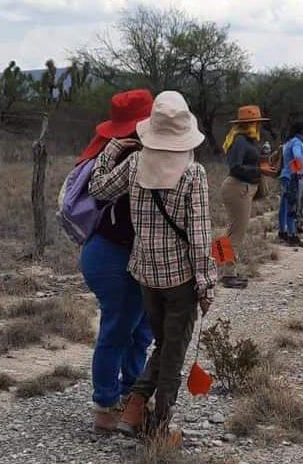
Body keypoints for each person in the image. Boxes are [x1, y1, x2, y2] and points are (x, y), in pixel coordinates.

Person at [88, 91, 216, 440]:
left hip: (145, 276)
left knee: (164, 345)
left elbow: (98, 188)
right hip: (181, 280)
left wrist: (111, 149)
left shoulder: (133, 164)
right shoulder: (194, 174)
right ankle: (158, 427)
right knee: (172, 354)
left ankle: (132, 409)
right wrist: (206, 284)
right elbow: (201, 236)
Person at [77, 89, 154, 434]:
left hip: (113, 254)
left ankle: (129, 396)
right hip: (114, 256)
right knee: (119, 330)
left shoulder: (119, 153)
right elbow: (103, 195)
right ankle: (106, 406)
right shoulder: (128, 159)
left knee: (138, 330)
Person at [220, 105, 270, 289]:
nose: (256, 125)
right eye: (254, 122)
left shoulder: (247, 140)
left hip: (240, 187)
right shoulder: (241, 141)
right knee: (236, 233)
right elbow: (235, 167)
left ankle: (223, 269)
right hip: (238, 187)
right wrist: (259, 170)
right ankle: (228, 274)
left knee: (230, 231)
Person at [279, 121, 303, 247]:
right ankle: (292, 234)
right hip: (293, 176)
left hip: (285, 175)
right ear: (302, 132)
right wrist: (298, 170)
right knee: (293, 205)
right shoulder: (297, 143)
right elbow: (297, 156)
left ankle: (283, 231)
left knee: (284, 205)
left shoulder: (288, 142)